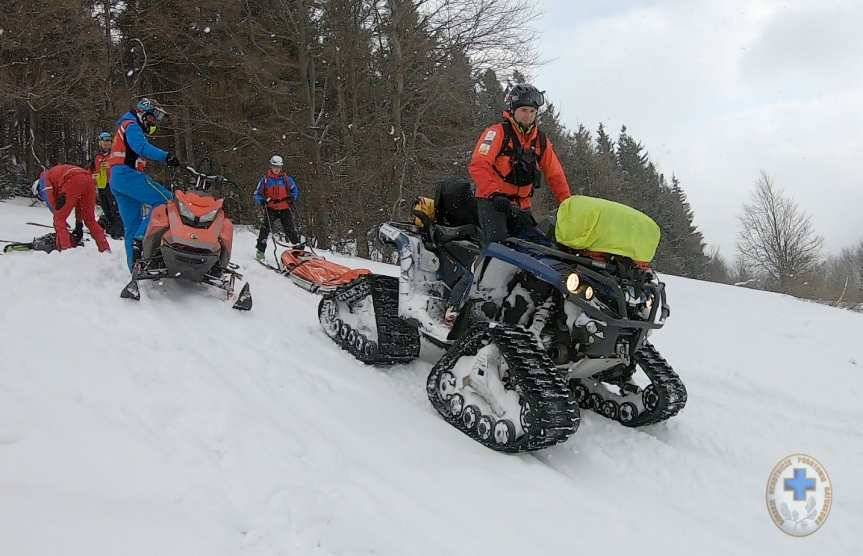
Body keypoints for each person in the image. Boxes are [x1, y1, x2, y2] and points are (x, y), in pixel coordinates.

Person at [467, 83, 572, 246]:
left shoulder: (541, 141)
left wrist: (568, 204)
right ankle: (482, 270)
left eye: (532, 111)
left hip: (521, 205)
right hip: (493, 202)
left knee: (537, 247)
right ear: (513, 110)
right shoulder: (497, 133)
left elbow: (555, 174)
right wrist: (494, 194)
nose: (528, 116)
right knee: (499, 249)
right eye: (523, 110)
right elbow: (479, 164)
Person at [108, 98, 180, 270]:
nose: (155, 123)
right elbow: (142, 148)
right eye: (154, 117)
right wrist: (166, 156)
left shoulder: (125, 125)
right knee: (168, 200)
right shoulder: (132, 125)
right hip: (128, 175)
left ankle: (134, 266)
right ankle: (141, 238)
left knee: (131, 226)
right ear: (144, 113)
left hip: (118, 179)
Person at [31, 164, 110, 253]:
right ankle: (105, 249)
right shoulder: (54, 175)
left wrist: (58, 215)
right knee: (90, 220)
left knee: (58, 220)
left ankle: (67, 251)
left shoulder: (44, 179)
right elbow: (79, 204)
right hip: (88, 179)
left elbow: (49, 199)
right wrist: (78, 224)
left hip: (72, 179)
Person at [253, 154, 300, 261]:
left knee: (290, 230)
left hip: (284, 208)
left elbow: (295, 190)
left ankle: (298, 249)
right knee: (265, 229)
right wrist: (262, 200)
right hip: (271, 208)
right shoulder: (265, 180)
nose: (277, 169)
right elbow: (257, 194)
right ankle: (260, 251)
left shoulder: (287, 180)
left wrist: (292, 198)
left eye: (279, 167)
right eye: (275, 167)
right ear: (271, 166)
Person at [90, 131, 123, 238]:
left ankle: (118, 231)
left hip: (113, 185)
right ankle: (110, 229)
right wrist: (93, 176)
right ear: (100, 142)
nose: (107, 143)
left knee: (115, 209)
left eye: (109, 141)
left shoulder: (114, 154)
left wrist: (110, 166)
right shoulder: (97, 156)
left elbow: (121, 166)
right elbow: (90, 170)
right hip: (101, 186)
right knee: (106, 209)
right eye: (104, 141)